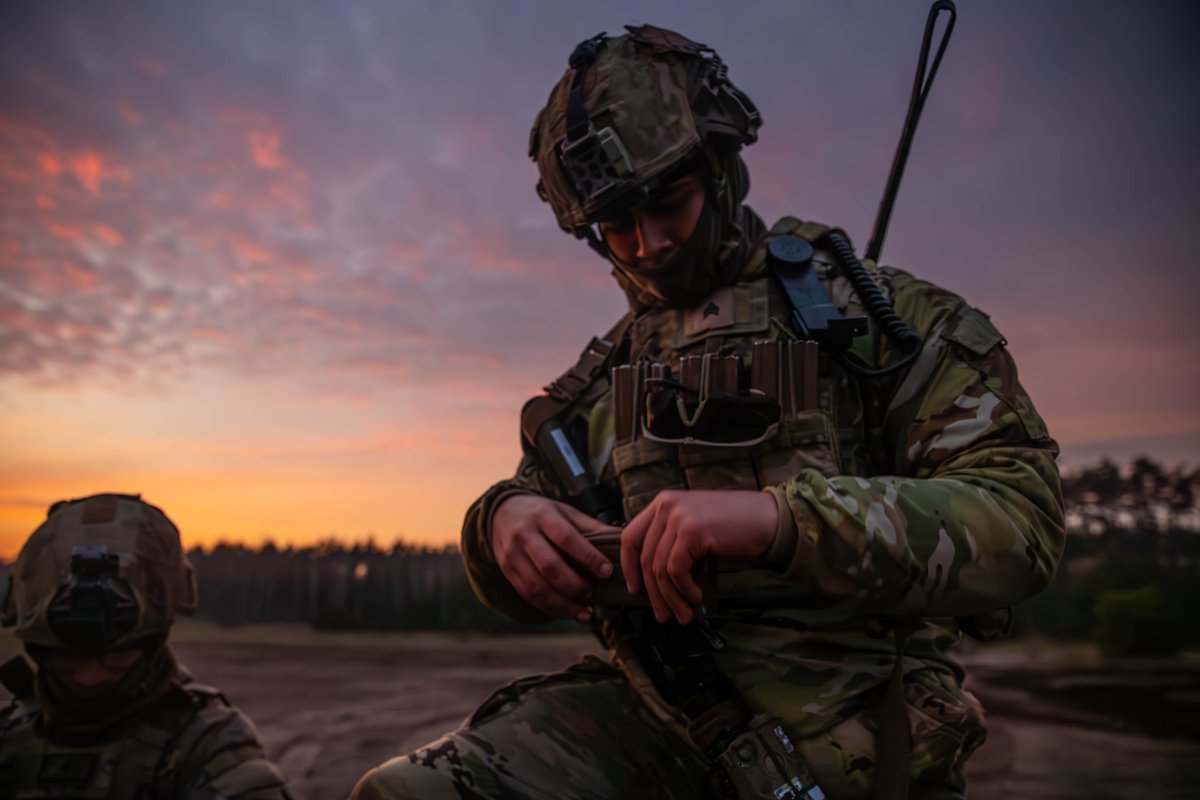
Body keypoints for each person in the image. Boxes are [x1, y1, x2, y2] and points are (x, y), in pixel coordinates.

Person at [352, 23, 1064, 800]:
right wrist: (499, 524)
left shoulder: (884, 325)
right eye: (614, 226)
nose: (647, 245)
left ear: (721, 169)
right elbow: (519, 540)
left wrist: (776, 519)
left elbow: (1021, 522)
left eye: (669, 204)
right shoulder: (601, 384)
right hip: (653, 726)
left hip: (855, 737)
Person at [0, 492, 291, 799]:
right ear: (36, 651)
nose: (90, 676)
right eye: (67, 659)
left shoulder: (205, 747)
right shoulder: (8, 737)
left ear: (152, 646)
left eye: (117, 657)